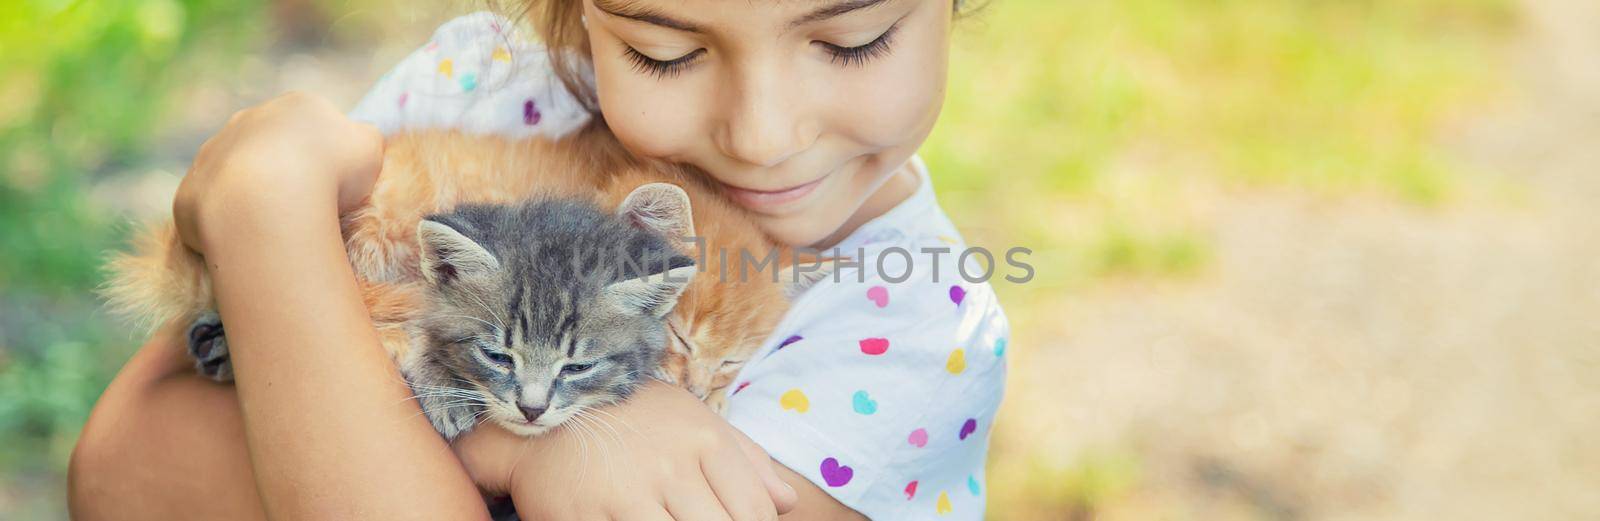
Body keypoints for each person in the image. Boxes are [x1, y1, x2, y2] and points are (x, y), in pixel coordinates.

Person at [69, 1, 1007, 519]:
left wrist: (265, 211)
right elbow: (123, 466)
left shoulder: (909, 332)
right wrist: (511, 449)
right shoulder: (489, 89)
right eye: (665, 52)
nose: (762, 136)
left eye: (853, 40)